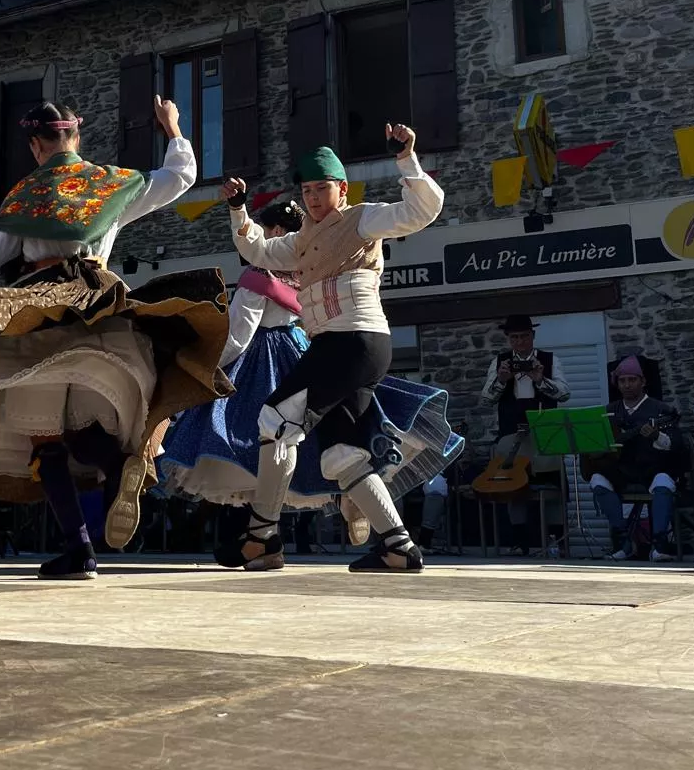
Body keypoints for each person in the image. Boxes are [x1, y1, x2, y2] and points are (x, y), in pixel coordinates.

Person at [0, 96, 231, 581]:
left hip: (42, 306)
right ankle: (120, 463)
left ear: (35, 146)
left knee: (45, 436)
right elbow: (179, 178)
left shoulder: (28, 193)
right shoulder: (111, 183)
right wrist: (173, 129)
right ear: (76, 138)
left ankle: (78, 549)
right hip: (101, 303)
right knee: (84, 428)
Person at [221, 123, 445, 572]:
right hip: (353, 348)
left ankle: (262, 535)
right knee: (341, 455)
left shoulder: (364, 217)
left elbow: (422, 209)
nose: (314, 198)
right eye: (307, 190)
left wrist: (406, 158)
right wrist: (237, 208)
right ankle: (398, 547)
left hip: (353, 341)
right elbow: (260, 252)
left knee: (276, 419)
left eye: (322, 188)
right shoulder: (301, 240)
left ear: (341, 189)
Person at [159, 199, 343, 548]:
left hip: (261, 361)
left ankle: (252, 536)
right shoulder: (304, 276)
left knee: (240, 442)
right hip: (298, 350)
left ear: (273, 232)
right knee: (296, 441)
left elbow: (240, 336)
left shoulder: (258, 275)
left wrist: (208, 366)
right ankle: (277, 529)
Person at [479, 315, 571, 555]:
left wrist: (540, 380)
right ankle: (520, 542)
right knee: (513, 488)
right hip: (512, 435)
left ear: (533, 336)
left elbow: (564, 394)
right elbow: (487, 399)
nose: (519, 342)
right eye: (514, 337)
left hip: (545, 435)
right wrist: (501, 380)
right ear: (508, 339)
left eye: (524, 336)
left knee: (553, 487)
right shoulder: (499, 362)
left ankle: (556, 541)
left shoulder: (550, 361)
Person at [579, 354, 681, 562]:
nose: (627, 385)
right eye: (622, 381)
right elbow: (593, 441)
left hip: (652, 466)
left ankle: (660, 544)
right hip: (621, 469)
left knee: (663, 481)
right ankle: (623, 541)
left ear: (643, 382)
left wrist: (657, 436)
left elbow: (675, 445)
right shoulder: (609, 412)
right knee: (598, 479)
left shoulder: (661, 410)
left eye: (632, 380)